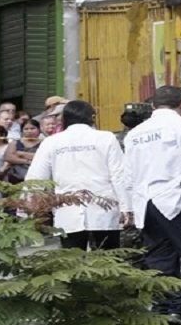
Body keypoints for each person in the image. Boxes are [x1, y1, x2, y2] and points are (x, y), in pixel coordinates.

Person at [124, 86, 181, 325]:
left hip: (146, 204)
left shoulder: (135, 133)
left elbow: (128, 175)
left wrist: (129, 208)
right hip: (179, 201)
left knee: (159, 256)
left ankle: (163, 308)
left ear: (153, 105)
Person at [26, 100, 131, 251]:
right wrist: (126, 207)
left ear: (63, 120)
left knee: (72, 263)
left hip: (67, 210)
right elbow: (119, 175)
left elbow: (35, 179)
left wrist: (27, 209)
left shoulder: (51, 142)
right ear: (92, 118)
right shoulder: (106, 138)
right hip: (105, 210)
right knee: (109, 262)